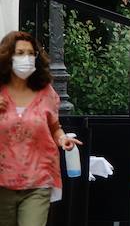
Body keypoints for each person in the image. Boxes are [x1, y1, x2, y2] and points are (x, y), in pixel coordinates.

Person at [0, 31, 79, 226]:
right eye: (19, 53)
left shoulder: (46, 93)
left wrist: (62, 139)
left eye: (30, 53)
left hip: (39, 180)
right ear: (7, 56)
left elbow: (54, 127)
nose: (25, 58)